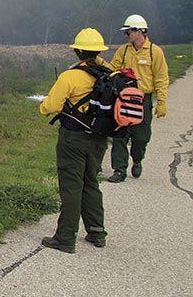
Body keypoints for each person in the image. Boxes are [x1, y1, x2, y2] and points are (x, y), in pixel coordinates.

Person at [37, 28, 110, 253]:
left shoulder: (70, 76)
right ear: (99, 51)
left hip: (73, 139)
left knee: (71, 186)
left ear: (77, 51)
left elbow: (51, 107)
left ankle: (65, 237)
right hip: (98, 138)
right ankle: (97, 232)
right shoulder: (108, 73)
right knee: (90, 182)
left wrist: (43, 104)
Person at [105, 15, 168, 182]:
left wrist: (161, 101)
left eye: (129, 31)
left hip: (142, 99)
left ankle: (138, 159)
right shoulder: (124, 50)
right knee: (119, 134)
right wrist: (98, 61)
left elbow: (161, 77)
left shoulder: (155, 52)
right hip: (123, 97)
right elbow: (113, 68)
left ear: (140, 31)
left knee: (141, 137)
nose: (126, 35)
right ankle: (119, 170)